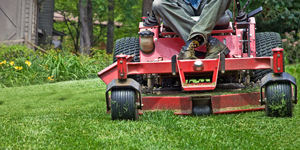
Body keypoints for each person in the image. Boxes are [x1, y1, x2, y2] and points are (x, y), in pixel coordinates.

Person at [152, 0, 232, 60]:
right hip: (181, 4)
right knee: (158, 4)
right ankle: (210, 41)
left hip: (208, 4)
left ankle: (192, 42)